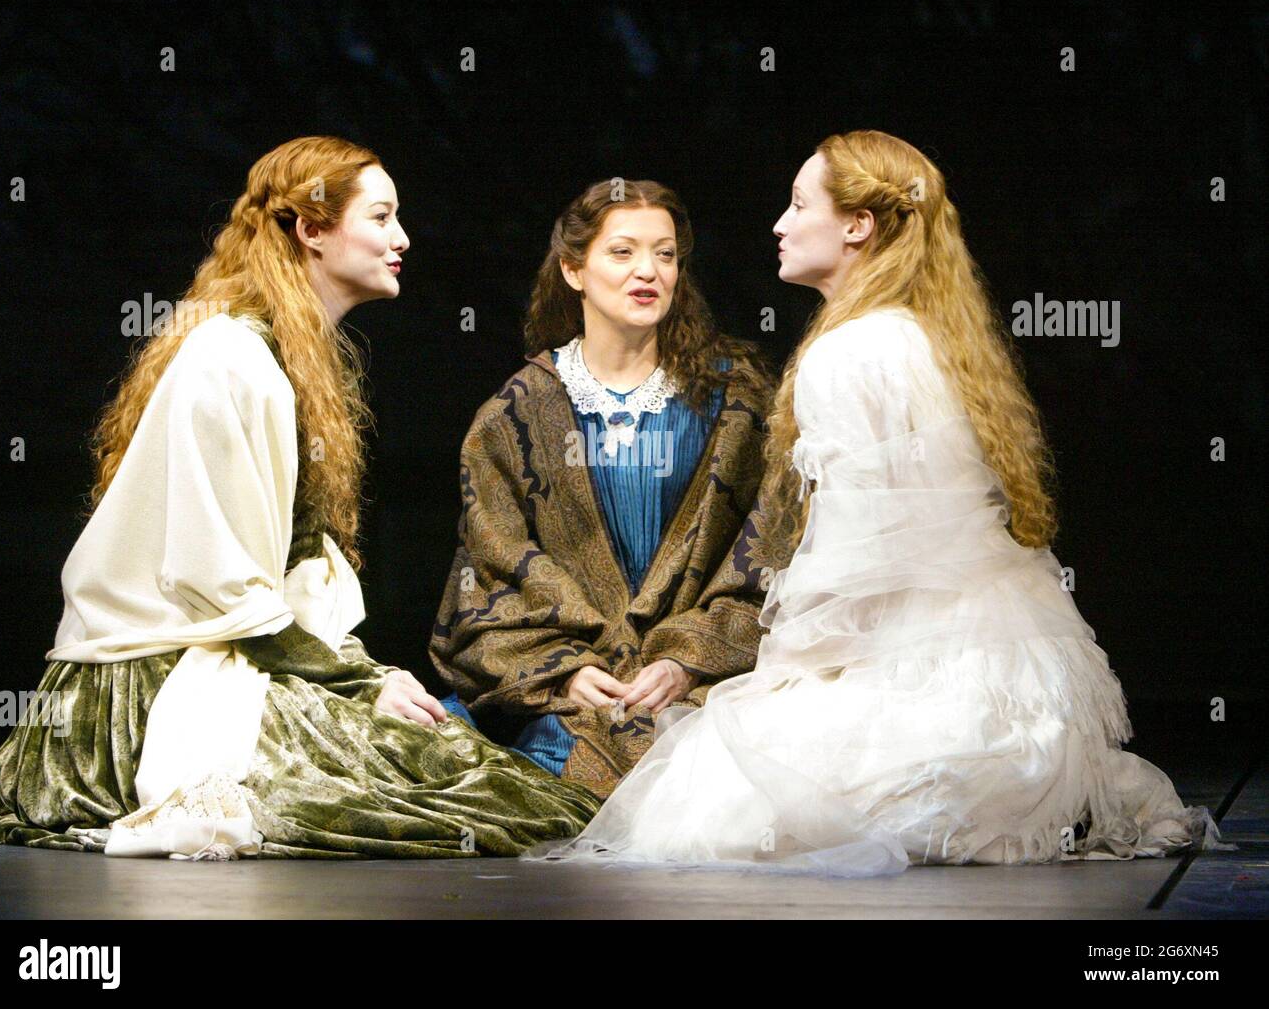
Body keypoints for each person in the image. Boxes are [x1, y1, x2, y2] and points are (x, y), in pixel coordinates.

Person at [523, 130, 1232, 873]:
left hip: (926, 670)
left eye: (800, 205)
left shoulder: (848, 353)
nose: (780, 224)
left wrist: (781, 671)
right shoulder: (927, 337)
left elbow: (863, 558)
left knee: (710, 790)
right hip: (1009, 679)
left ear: (857, 224)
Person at [0, 136, 599, 861]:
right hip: (154, 686)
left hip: (238, 652)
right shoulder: (231, 360)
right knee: (439, 790)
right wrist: (361, 681)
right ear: (312, 229)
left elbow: (281, 578)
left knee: (469, 773)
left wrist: (361, 674)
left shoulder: (288, 358)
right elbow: (218, 583)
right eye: (382, 216)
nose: (403, 239)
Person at [430, 179, 797, 798]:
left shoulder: (735, 405)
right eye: (622, 252)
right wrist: (566, 674)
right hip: (565, 703)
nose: (647, 271)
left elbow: (773, 558)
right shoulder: (514, 415)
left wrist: (685, 660)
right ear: (574, 269)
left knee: (728, 788)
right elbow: (484, 583)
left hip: (708, 689)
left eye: (665, 253)